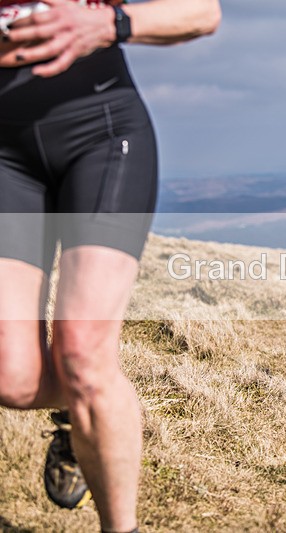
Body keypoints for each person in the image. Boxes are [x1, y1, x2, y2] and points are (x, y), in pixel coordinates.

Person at [0, 1, 220, 531]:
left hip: (100, 134)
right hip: (5, 154)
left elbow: (201, 12)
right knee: (12, 378)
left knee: (83, 352)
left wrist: (108, 23)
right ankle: (82, 413)